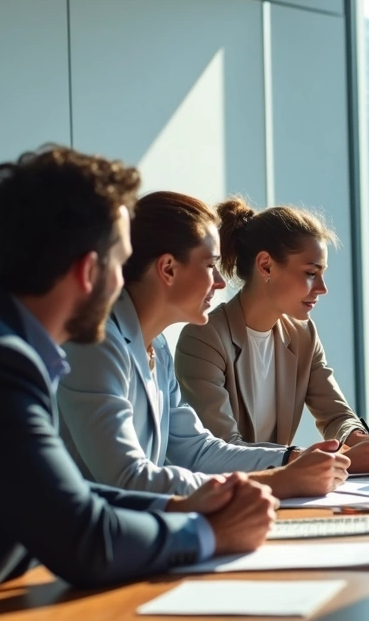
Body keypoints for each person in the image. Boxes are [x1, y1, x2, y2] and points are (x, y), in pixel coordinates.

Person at [0, 148, 277, 620]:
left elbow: (64, 495)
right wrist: (210, 534)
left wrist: (179, 506)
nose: (124, 282)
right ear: (87, 272)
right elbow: (84, 541)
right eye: (120, 262)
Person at [58, 191, 350, 498]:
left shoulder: (156, 346)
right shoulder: (96, 344)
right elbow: (129, 478)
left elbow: (197, 450)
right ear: (168, 268)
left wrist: (291, 460)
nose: (221, 282)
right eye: (211, 265)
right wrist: (279, 481)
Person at [176, 198, 369, 473]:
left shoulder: (302, 334)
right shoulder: (204, 339)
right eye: (311, 273)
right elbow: (223, 450)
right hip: (221, 500)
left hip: (280, 494)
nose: (323, 288)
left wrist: (363, 443)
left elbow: (337, 415)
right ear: (266, 265)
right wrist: (332, 462)